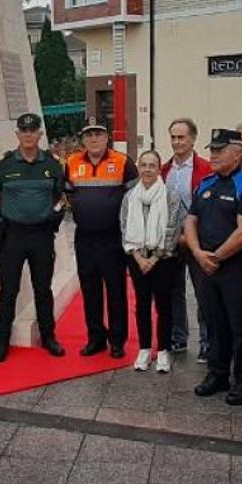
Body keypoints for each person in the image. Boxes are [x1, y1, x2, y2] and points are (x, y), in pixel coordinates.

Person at [187, 129, 242, 405]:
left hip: (234, 267)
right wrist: (197, 252)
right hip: (205, 264)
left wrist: (215, 257)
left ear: (238, 152)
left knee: (240, 325)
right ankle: (217, 373)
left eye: (220, 150)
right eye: (212, 150)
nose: (213, 155)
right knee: (214, 322)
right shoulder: (206, 183)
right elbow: (190, 220)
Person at [0, 114, 68, 363]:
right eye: (23, 131)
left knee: (43, 289)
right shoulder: (5, 164)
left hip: (42, 235)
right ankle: (1, 342)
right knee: (8, 290)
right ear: (17, 135)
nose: (28, 135)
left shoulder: (52, 164)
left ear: (39, 135)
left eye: (33, 131)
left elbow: (59, 195)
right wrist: (16, 211)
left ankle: (48, 337)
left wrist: (38, 212)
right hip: (13, 235)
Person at [66, 118, 137, 359]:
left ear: (107, 137)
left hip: (113, 239)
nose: (93, 139)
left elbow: (135, 197)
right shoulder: (71, 162)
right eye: (89, 135)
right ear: (83, 139)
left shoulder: (123, 162)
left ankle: (117, 341)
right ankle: (95, 338)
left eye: (98, 134)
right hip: (84, 238)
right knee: (90, 290)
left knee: (116, 291)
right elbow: (66, 194)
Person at [122, 150, 187, 373]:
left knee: (163, 305)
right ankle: (144, 348)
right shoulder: (130, 196)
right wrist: (139, 258)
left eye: (152, 165)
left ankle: (163, 350)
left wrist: (155, 258)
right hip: (137, 258)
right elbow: (123, 227)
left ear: (160, 169)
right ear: (138, 168)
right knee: (141, 304)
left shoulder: (170, 196)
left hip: (163, 260)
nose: (147, 169)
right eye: (144, 165)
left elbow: (173, 229)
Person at [160, 118, 213, 361]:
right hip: (170, 242)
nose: (176, 142)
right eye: (173, 137)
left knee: (203, 294)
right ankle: (177, 336)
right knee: (173, 291)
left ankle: (207, 341)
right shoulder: (164, 170)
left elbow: (209, 208)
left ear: (193, 139)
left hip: (197, 241)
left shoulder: (206, 169)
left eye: (181, 137)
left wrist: (191, 236)